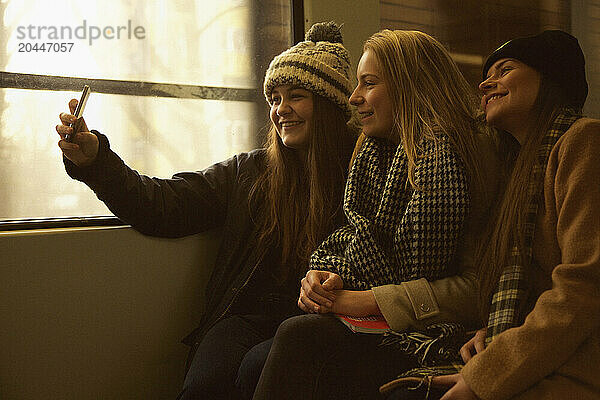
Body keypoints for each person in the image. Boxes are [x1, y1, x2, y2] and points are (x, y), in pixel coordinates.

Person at [54, 22, 357, 400]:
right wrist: (96, 160)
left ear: (329, 104)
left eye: (296, 96)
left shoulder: (363, 174)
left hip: (323, 317)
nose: (281, 110)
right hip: (247, 317)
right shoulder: (250, 171)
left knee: (257, 368)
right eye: (275, 98)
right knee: (204, 386)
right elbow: (164, 204)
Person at [252, 29, 501, 400]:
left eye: (368, 83)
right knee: (255, 359)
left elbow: (478, 286)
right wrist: (326, 276)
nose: (355, 98)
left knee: (295, 338)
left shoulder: (464, 155)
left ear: (409, 86)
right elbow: (353, 236)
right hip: (378, 318)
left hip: (432, 331)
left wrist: (367, 299)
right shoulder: (373, 153)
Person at [426, 30, 600, 400]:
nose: (486, 83)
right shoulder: (517, 171)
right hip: (552, 353)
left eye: (504, 70)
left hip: (582, 360)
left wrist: (487, 373)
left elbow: (583, 289)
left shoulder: (584, 141)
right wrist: (493, 333)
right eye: (488, 74)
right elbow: (531, 289)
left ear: (550, 77)